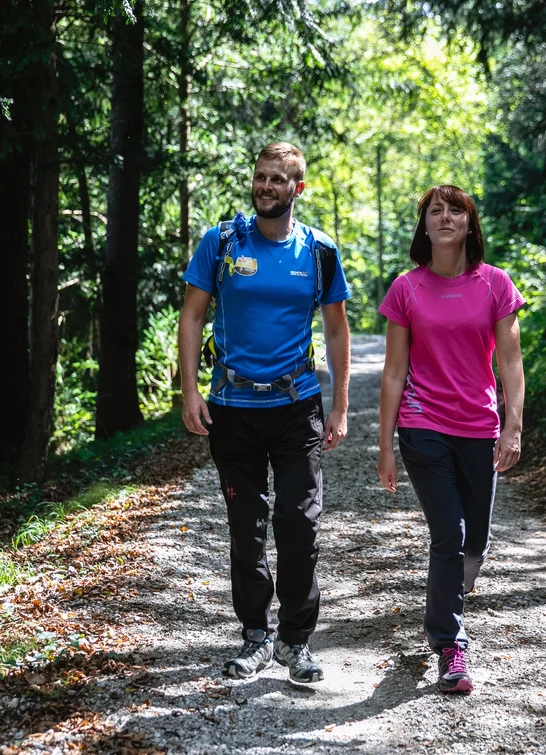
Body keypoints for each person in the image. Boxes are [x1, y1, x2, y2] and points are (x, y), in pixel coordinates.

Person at [178, 142, 351, 684]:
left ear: (298, 188)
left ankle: (295, 642)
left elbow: (337, 329)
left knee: (299, 524)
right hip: (232, 406)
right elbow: (192, 317)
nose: (266, 186)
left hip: (297, 406)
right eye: (261, 177)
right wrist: (189, 391)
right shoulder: (222, 242)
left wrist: (341, 405)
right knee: (246, 525)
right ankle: (256, 635)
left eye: (279, 179)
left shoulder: (319, 251)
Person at [376, 184, 525, 695]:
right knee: (450, 535)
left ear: (469, 223)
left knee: (475, 543)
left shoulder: (495, 285)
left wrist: (513, 426)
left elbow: (510, 363)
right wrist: (385, 445)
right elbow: (394, 373)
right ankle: (449, 645)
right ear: (424, 226)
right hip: (423, 427)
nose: (444, 217)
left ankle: (448, 605)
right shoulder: (406, 288)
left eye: (454, 210)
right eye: (434, 211)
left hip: (479, 428)